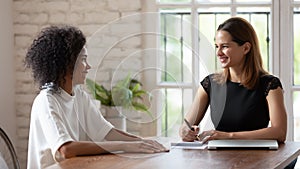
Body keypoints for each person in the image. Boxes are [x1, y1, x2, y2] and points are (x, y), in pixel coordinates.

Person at [25, 25, 168, 169]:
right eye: (83, 59)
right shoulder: (47, 101)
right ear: (66, 64)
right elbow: (66, 149)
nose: (88, 66)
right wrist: (126, 146)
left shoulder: (79, 95)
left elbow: (107, 132)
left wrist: (141, 142)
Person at [179, 17, 297, 168]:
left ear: (246, 48)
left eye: (225, 46)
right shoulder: (210, 84)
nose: (218, 53)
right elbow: (186, 125)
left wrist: (227, 136)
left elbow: (279, 132)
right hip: (219, 161)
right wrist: (186, 131)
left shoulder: (269, 84)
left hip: (259, 161)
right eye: (217, 46)